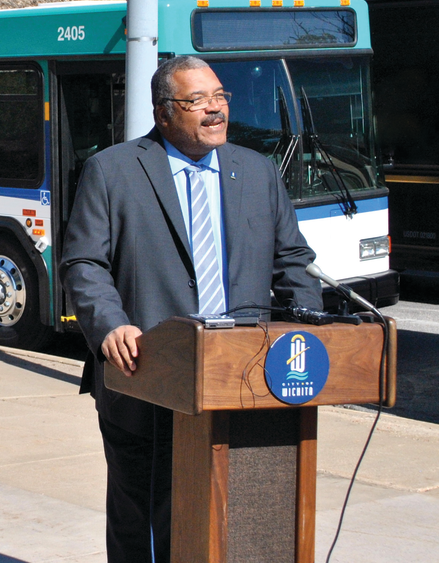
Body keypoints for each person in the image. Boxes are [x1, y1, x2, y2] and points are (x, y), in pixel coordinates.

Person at [59, 55, 322, 563]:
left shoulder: (258, 171)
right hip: (147, 379)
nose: (214, 110)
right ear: (163, 114)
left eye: (220, 97)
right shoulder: (113, 170)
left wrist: (307, 326)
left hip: (245, 380)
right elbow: (84, 264)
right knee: (147, 523)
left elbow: (293, 262)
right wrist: (111, 326)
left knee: (235, 515)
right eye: (197, 101)